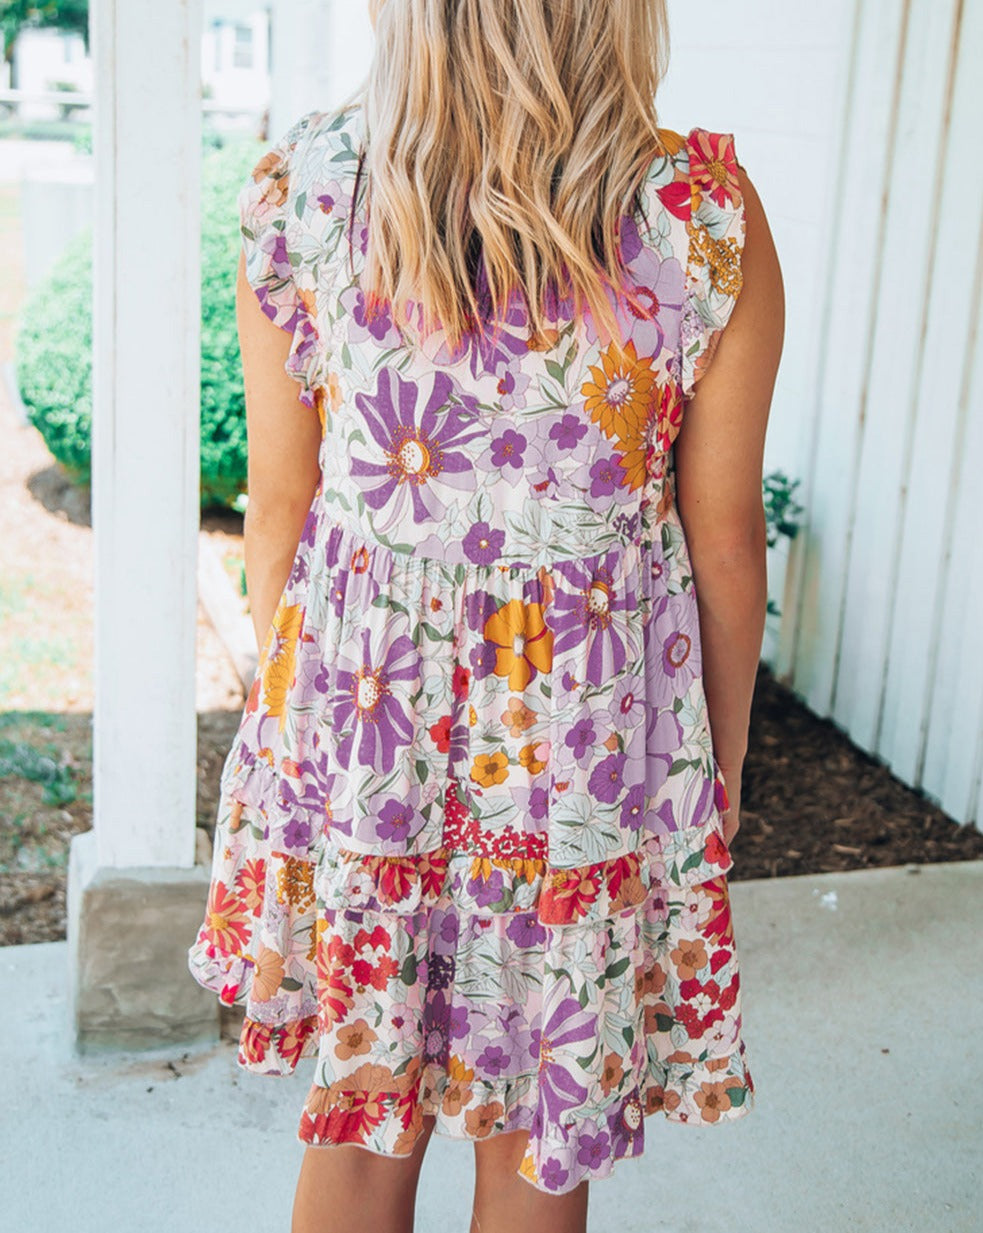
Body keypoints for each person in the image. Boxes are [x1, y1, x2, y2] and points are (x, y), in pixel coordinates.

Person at [188, 2, 784, 1231]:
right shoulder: (701, 216)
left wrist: (286, 729)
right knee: (530, 1130)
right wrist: (713, 766)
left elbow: (280, 508)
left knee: (361, 1106)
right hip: (580, 749)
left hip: (362, 734)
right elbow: (723, 543)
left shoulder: (304, 190)